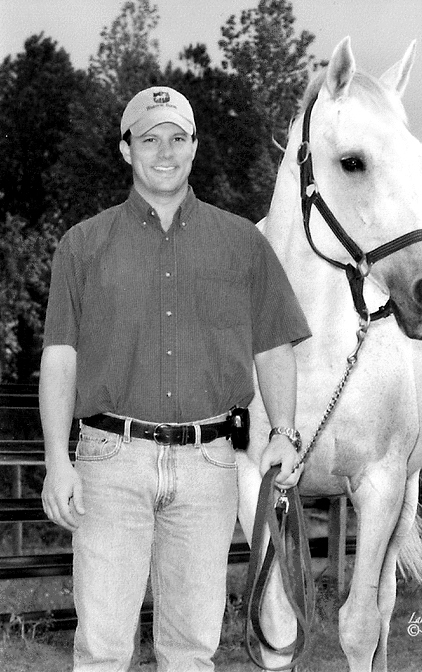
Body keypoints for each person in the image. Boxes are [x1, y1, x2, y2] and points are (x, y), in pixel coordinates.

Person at [39, 86, 312, 671]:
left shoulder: (243, 243)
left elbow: (274, 346)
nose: (165, 152)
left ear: (195, 146)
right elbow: (60, 359)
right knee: (101, 651)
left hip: (210, 463)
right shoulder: (81, 246)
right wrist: (57, 462)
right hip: (110, 461)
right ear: (125, 149)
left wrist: (284, 432)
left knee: (191, 652)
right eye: (150, 138)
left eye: (178, 138)